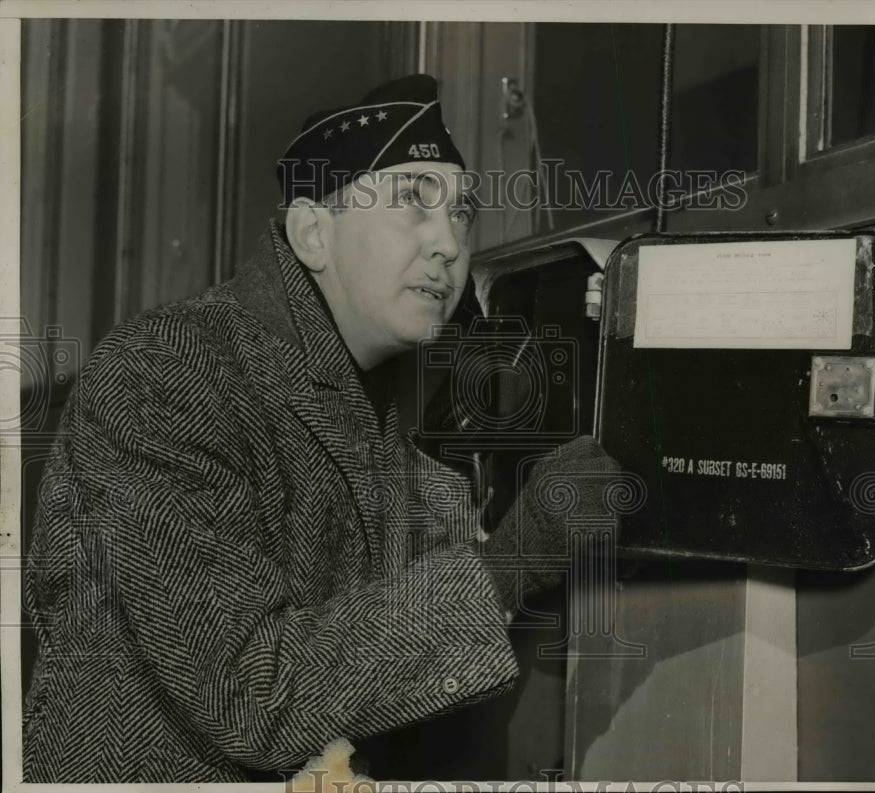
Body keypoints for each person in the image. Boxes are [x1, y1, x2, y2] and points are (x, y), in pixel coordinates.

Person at [22, 74, 620, 783]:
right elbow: (251, 690)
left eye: (462, 213)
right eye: (413, 203)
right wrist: (513, 561)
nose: (449, 245)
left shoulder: (388, 411)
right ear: (312, 232)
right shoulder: (167, 372)